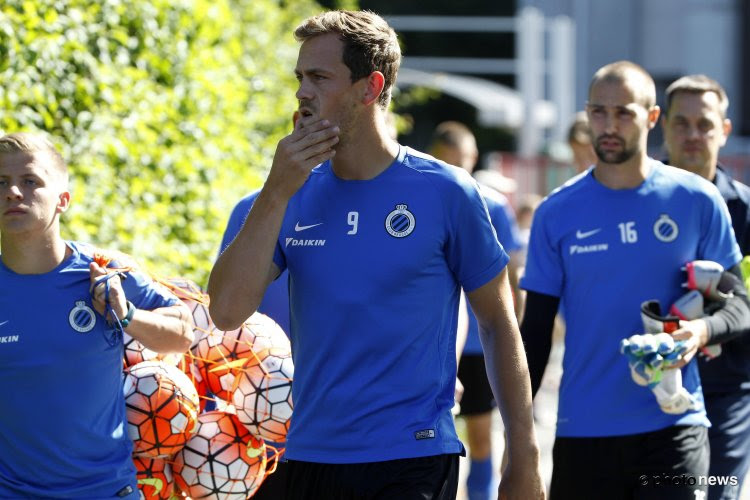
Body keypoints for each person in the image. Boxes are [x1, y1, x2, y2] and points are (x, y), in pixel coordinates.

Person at [208, 10, 544, 500]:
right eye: (300, 77)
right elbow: (224, 312)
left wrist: (525, 454)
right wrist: (277, 189)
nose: (303, 91)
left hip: (413, 457)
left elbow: (497, 322)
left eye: (319, 77)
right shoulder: (285, 194)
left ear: (370, 87)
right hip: (306, 455)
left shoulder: (446, 192)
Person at [520, 61, 750, 499]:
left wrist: (698, 331)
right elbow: (534, 336)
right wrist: (520, 438)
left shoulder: (697, 199)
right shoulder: (557, 212)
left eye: (623, 113)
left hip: (674, 427)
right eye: (599, 113)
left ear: (651, 118)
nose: (609, 126)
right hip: (585, 430)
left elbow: (739, 304)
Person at [0, 132, 193, 498]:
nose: (12, 192)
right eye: (1, 182)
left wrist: (127, 314)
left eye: (30, 181)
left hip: (105, 490)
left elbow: (183, 331)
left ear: (63, 200)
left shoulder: (103, 270)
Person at [662, 74, 750, 500]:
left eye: (705, 124)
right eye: (682, 123)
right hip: (648, 388)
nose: (693, 135)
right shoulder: (633, 202)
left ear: (725, 130)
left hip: (726, 390)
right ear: (662, 126)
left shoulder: (746, 212)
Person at [430, 120, 523, 500]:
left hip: (481, 344)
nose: (458, 171)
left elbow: (512, 273)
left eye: (464, 161)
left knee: (482, 436)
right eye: (450, 162)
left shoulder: (492, 205)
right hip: (438, 342)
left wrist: (515, 328)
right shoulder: (420, 199)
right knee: (435, 436)